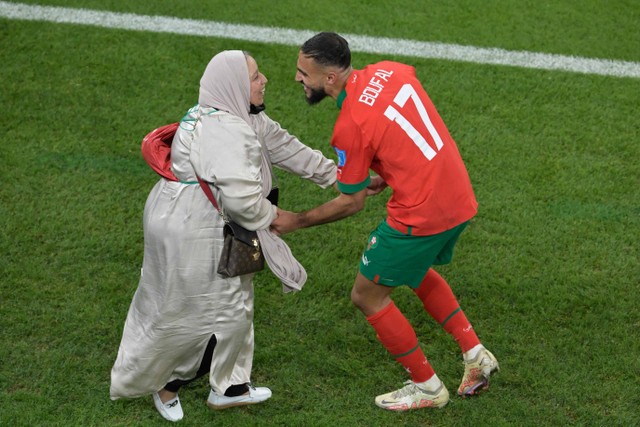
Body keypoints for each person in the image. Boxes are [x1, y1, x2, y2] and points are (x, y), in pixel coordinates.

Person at [271, 32, 499, 411]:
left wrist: (296, 220)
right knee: (414, 269)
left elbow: (351, 202)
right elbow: (402, 131)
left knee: (367, 295)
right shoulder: (390, 71)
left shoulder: (350, 126)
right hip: (458, 196)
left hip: (422, 213)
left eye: (303, 72)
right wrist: (391, 170)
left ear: (329, 78)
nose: (297, 79)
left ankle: (427, 387)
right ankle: (476, 355)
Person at [110, 50, 337, 422]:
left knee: (232, 306)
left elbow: (284, 146)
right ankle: (169, 384)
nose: (264, 80)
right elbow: (243, 201)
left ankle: (228, 387)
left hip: (200, 221)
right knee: (205, 312)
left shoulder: (234, 114)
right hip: (196, 230)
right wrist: (276, 218)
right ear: (233, 85)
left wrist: (338, 176)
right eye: (254, 76)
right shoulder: (225, 131)